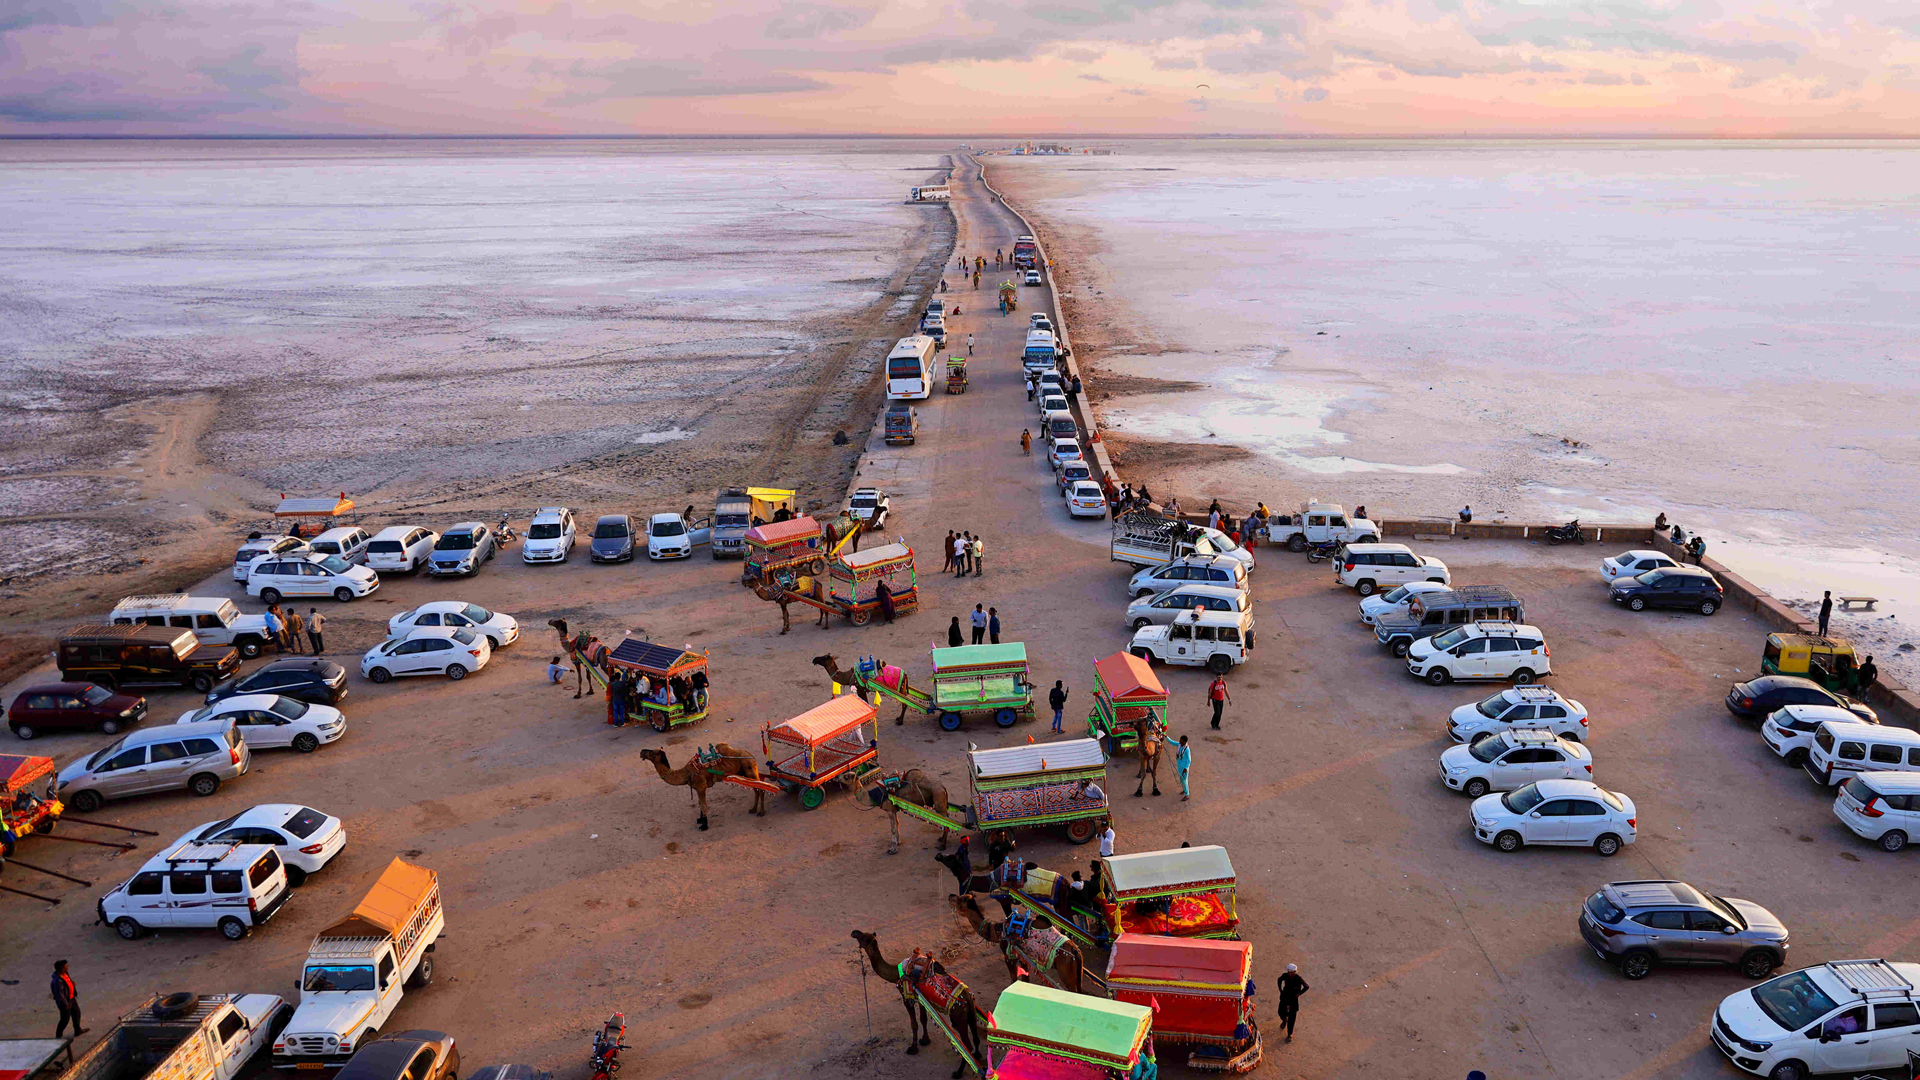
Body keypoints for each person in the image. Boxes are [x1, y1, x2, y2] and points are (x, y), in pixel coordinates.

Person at [1277, 963, 1309, 1042]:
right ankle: (1284, 1020)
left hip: (1293, 999)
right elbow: (1279, 980)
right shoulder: (1285, 976)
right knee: (1280, 1012)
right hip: (1285, 997)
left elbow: (1306, 986)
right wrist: (1280, 990)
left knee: (1292, 1017)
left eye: (1292, 972)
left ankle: (1290, 1034)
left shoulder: (1298, 978)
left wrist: (1299, 994)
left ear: (1295, 972)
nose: (1290, 973)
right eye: (1289, 972)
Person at [52, 960, 83, 1038]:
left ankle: (78, 1030)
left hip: (71, 998)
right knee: (65, 1020)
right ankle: (58, 1036)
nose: (67, 968)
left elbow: (68, 982)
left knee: (76, 1013)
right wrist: (65, 1004)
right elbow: (60, 995)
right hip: (65, 1002)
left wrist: (72, 983)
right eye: (66, 967)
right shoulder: (57, 981)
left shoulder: (65, 974)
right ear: (61, 968)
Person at [1175, 735, 1192, 801]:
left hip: (1184, 768)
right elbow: (1172, 742)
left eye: (1181, 740)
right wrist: (1166, 737)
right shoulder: (1180, 745)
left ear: (1184, 741)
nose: (1179, 741)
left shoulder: (1187, 749)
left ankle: (1187, 794)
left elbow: (1189, 760)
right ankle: (1184, 790)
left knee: (1184, 781)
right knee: (1182, 780)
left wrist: (1185, 768)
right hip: (1180, 766)